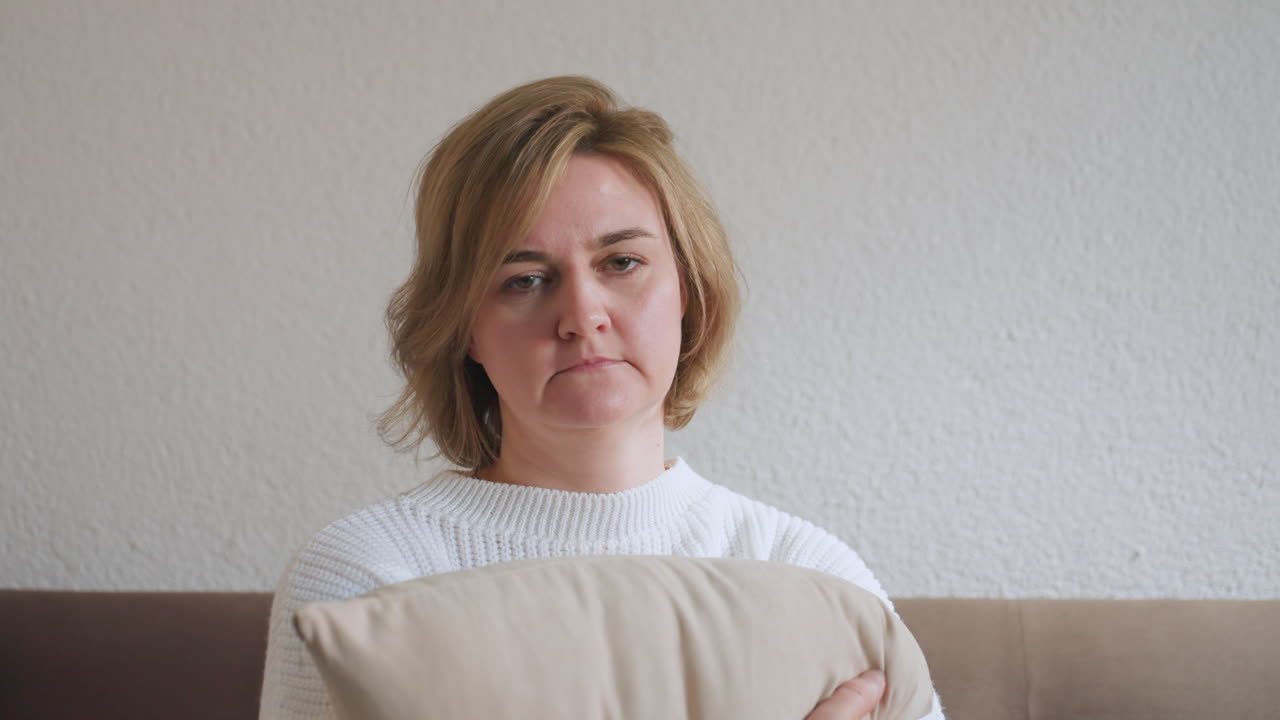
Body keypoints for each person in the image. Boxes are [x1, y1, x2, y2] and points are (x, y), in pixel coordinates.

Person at [258, 75, 939, 720]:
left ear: (689, 295)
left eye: (622, 263)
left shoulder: (806, 572)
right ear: (464, 325)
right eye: (524, 279)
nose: (582, 316)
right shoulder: (364, 574)